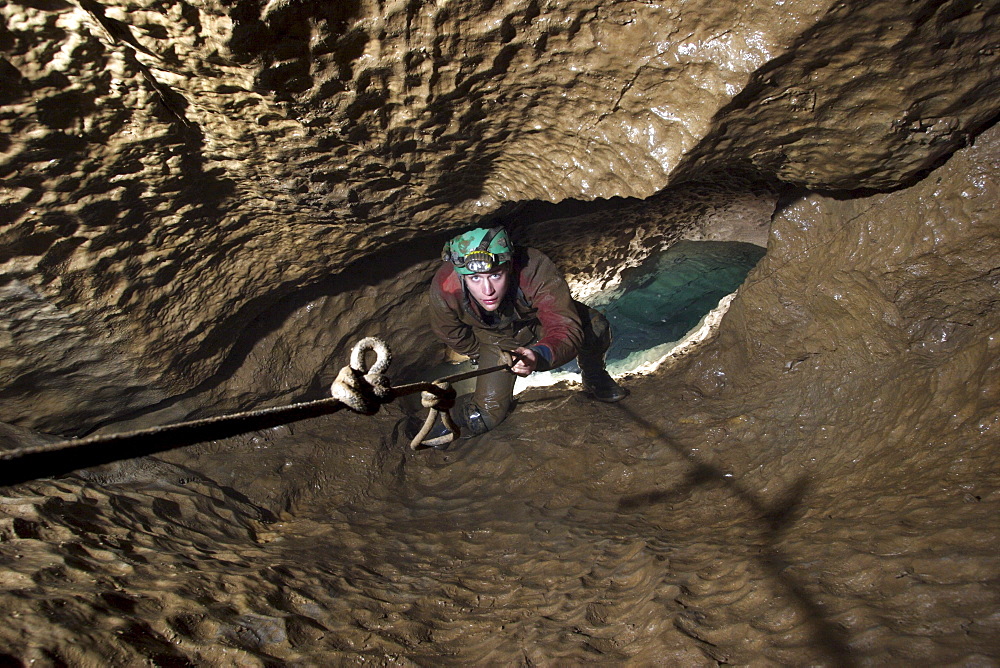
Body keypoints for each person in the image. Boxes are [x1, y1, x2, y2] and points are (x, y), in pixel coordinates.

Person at [419, 226, 627, 442]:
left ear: (508, 266)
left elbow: (564, 326)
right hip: (495, 338)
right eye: (475, 279)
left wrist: (539, 355)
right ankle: (439, 415)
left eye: (495, 275)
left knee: (596, 326)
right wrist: (483, 356)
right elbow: (451, 332)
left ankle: (594, 375)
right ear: (462, 276)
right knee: (484, 418)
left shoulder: (533, 266)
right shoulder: (446, 286)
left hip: (537, 320)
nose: (487, 290)